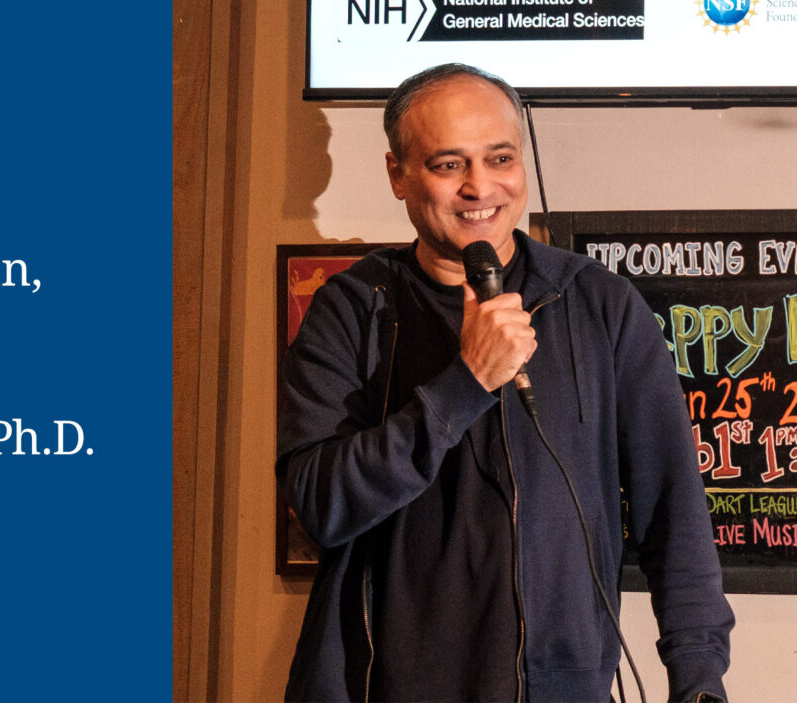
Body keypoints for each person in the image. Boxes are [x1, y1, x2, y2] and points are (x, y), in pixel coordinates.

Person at [277, 63, 733, 702]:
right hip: (387, 688)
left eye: (500, 158)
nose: (480, 186)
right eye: (447, 165)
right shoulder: (351, 309)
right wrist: (466, 382)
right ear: (398, 175)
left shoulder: (598, 303)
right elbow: (321, 506)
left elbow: (674, 511)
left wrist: (699, 679)